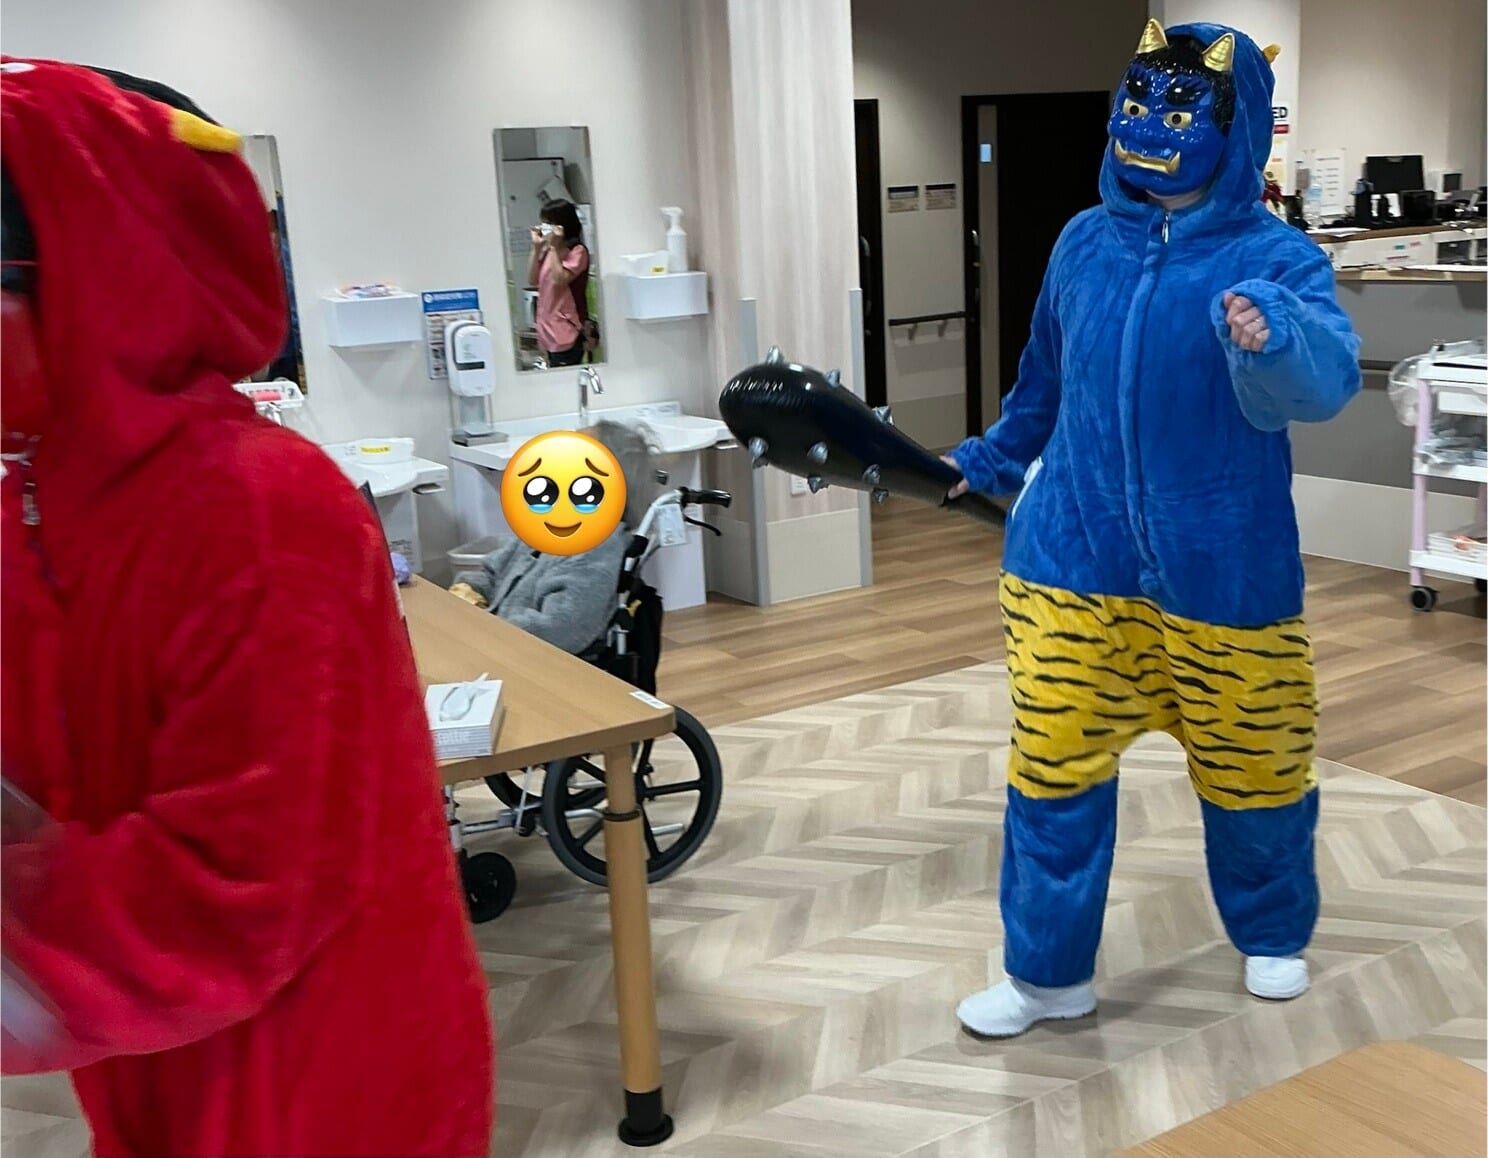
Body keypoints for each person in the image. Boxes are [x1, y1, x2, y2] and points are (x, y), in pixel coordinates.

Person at [0, 59, 494, 1155]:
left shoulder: (262, 512)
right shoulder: (42, 501)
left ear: (85, 274)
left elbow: (234, 889)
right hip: (157, 1064)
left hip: (327, 1089)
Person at [944, 22, 1360, 1038]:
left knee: (1257, 773)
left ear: (1235, 126)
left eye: (1179, 111)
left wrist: (1274, 334)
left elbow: (1325, 384)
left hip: (1226, 575)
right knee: (1052, 780)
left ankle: (1271, 934)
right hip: (1071, 566)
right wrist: (988, 460)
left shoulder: (1278, 258)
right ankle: (1047, 977)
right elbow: (1041, 384)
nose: (1148, 126)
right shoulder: (1082, 242)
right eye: (1137, 103)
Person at [451, 421, 658, 653]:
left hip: (527, 658)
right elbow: (493, 572)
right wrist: (467, 593)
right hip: (497, 642)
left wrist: (485, 629)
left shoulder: (599, 548)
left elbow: (559, 629)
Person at [528, 198, 592, 368]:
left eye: (549, 223)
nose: (545, 227)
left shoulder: (577, 251)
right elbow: (533, 280)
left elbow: (560, 279)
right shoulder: (547, 251)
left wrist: (554, 248)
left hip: (566, 329)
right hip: (547, 329)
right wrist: (536, 248)